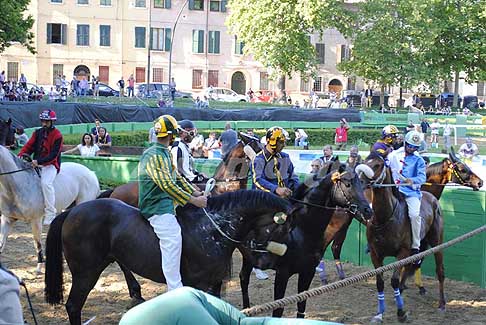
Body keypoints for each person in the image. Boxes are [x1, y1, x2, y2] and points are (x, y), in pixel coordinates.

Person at [138, 115, 207, 291]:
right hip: (155, 206)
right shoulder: (154, 155)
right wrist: (194, 200)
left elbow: (176, 177)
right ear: (171, 135)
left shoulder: (164, 153)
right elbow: (167, 184)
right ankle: (174, 288)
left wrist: (194, 190)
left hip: (166, 203)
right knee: (173, 238)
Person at [251, 126, 299, 281]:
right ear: (273, 142)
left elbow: (293, 176)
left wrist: (297, 189)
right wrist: (276, 189)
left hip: (284, 199)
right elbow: (257, 180)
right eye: (282, 142)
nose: (283, 145)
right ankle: (256, 263)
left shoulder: (285, 157)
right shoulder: (258, 159)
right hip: (264, 199)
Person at [388, 131, 426, 265]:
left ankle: (416, 247)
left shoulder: (419, 160)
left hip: (411, 193)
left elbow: (422, 178)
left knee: (415, 215)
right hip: (393, 189)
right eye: (410, 146)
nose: (412, 149)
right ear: (405, 143)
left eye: (415, 147)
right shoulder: (393, 155)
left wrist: (412, 180)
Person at [19, 109, 63, 225]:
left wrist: (38, 161)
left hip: (51, 165)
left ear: (52, 122)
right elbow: (28, 146)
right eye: (43, 121)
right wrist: (21, 155)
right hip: (36, 163)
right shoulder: (37, 132)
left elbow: (54, 155)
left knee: (46, 183)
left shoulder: (58, 135)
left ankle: (50, 213)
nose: (44, 123)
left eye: (47, 121)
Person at [171, 120, 207, 186]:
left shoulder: (185, 146)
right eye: (191, 133)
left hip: (191, 181)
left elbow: (188, 168)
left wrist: (198, 174)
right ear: (181, 132)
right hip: (188, 183)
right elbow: (178, 171)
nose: (193, 136)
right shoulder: (177, 147)